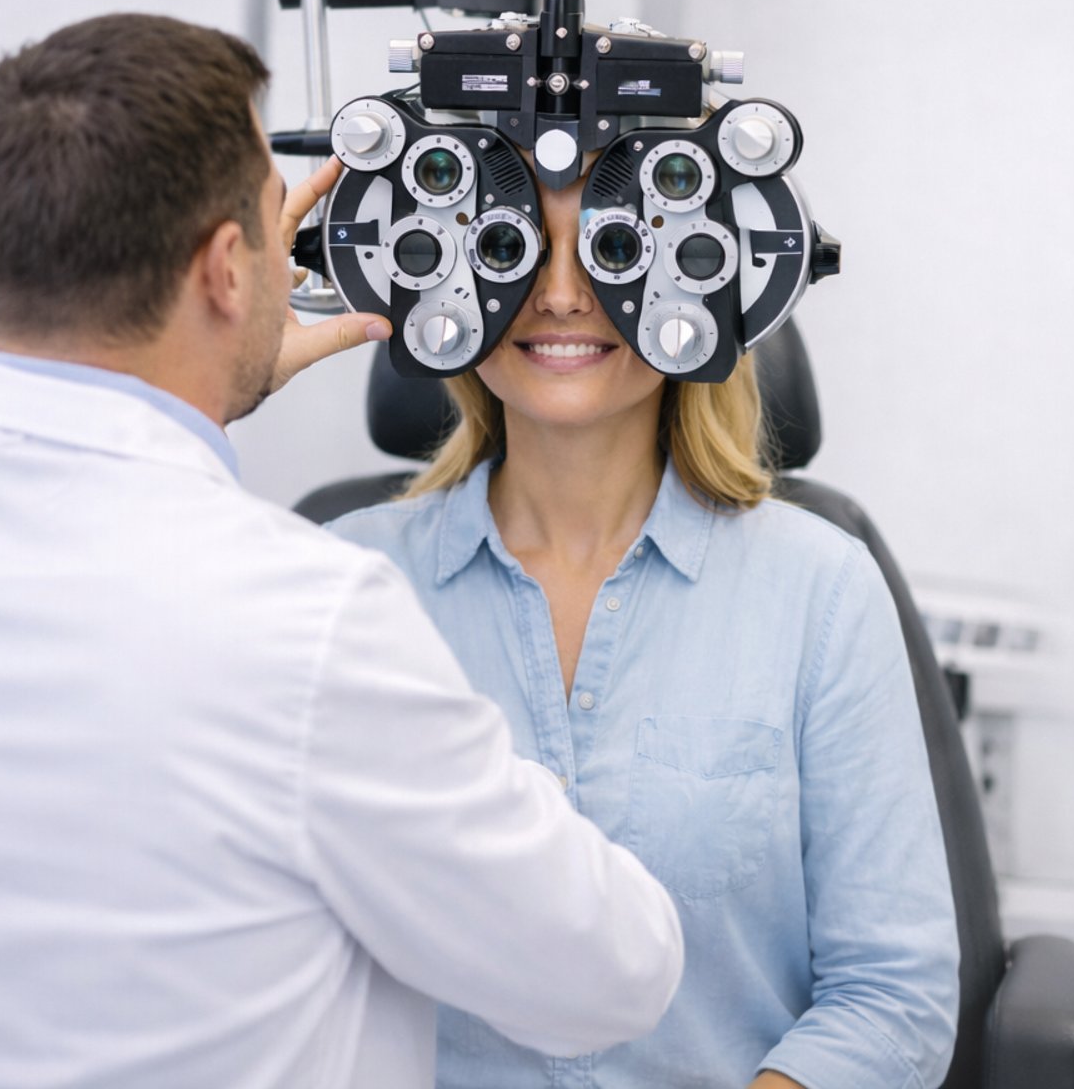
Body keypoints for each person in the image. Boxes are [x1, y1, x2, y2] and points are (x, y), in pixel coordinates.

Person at [0, 13, 683, 1089]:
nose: (297, 245)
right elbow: (609, 976)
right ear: (222, 269)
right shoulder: (303, 613)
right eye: (274, 220)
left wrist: (207, 385)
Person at [326, 156, 961, 1087]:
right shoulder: (345, 584)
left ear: (698, 284)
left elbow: (894, 994)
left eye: (615, 249)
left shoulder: (820, 589)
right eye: (508, 249)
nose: (559, 294)